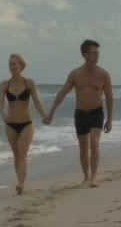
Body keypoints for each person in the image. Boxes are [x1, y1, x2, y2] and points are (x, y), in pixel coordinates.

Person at [43, 39, 114, 188]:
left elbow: (109, 97)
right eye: (94, 53)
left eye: (98, 53)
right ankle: (86, 177)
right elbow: (62, 93)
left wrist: (110, 119)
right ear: (85, 54)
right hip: (80, 114)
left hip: (96, 113)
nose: (97, 56)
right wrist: (51, 113)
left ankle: (94, 177)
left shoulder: (104, 74)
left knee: (94, 143)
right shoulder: (75, 74)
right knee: (83, 147)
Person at [0, 53, 48, 195]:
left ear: (21, 66)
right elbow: (0, 104)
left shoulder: (29, 83)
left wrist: (45, 116)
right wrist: (3, 115)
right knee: (16, 154)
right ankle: (19, 181)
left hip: (27, 123)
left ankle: (21, 184)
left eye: (14, 64)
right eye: (10, 64)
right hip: (11, 125)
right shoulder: (4, 85)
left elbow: (37, 102)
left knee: (23, 154)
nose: (11, 67)